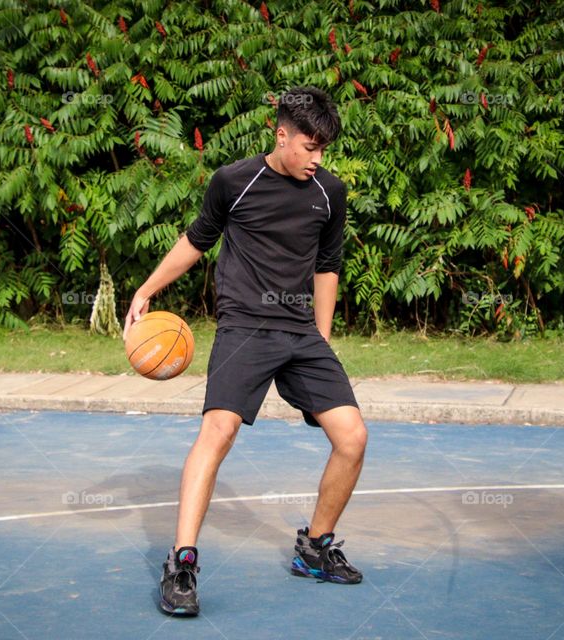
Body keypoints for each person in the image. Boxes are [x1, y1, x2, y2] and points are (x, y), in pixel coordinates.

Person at [123, 86, 368, 616]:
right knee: (220, 429)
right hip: (244, 328)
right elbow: (196, 241)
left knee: (352, 437)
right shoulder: (233, 181)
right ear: (281, 135)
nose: (317, 158)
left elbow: (328, 265)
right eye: (309, 146)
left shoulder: (330, 192)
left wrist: (322, 336)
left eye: (324, 148)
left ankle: (315, 548)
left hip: (300, 331)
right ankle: (182, 563)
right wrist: (146, 290)